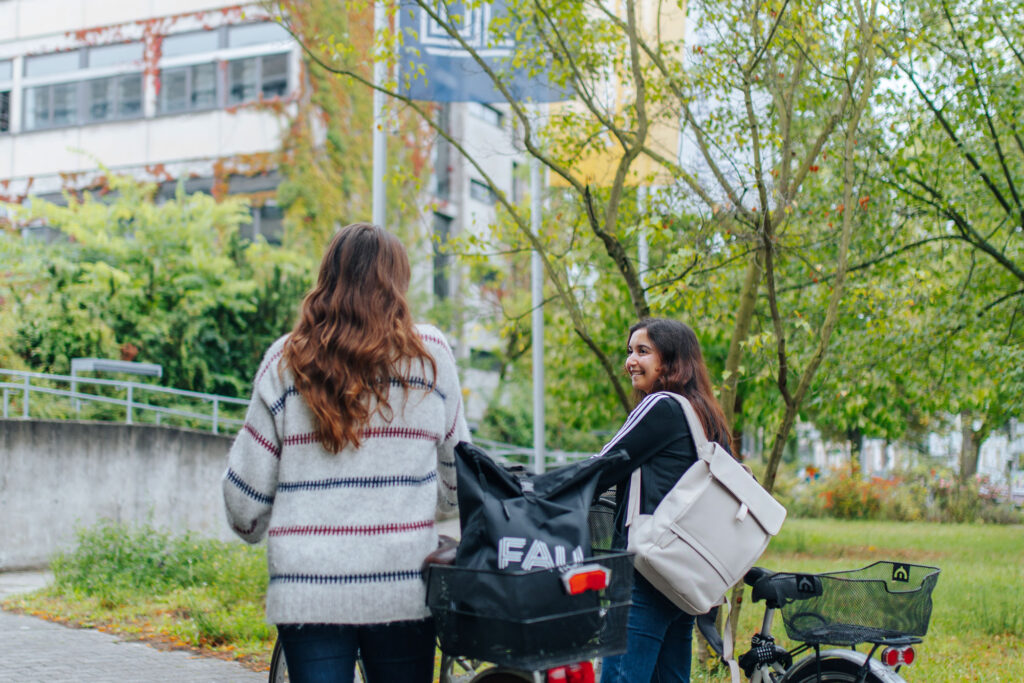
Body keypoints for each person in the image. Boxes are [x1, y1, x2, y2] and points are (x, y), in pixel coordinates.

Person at [222, 223, 468, 683]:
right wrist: (408, 499)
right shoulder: (430, 356)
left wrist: (257, 525)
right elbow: (460, 482)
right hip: (401, 585)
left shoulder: (285, 361)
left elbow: (244, 504)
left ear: (327, 278)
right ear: (399, 282)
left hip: (309, 590)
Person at [595, 318, 732, 683]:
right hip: (684, 574)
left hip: (647, 569)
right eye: (629, 351)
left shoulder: (661, 406)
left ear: (670, 361)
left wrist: (537, 493)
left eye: (643, 351)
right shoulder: (707, 416)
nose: (630, 361)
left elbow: (603, 467)